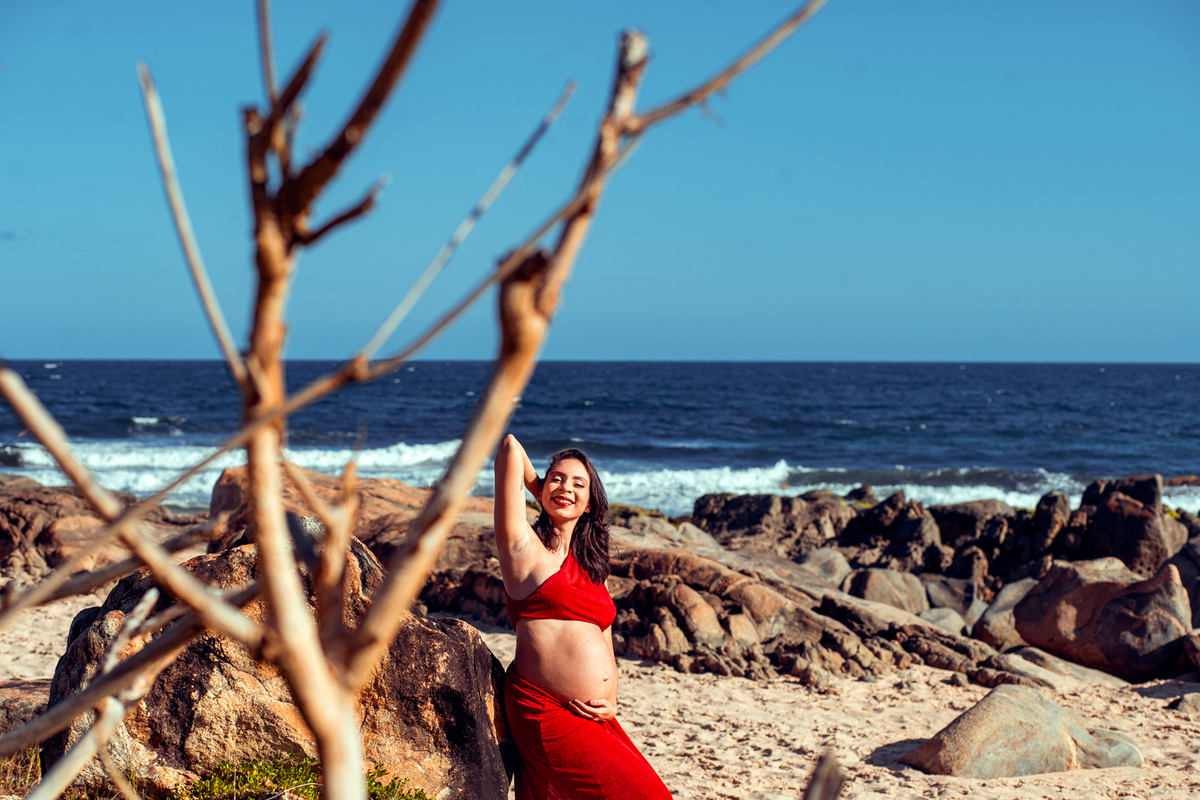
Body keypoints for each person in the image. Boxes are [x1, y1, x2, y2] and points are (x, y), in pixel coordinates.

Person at [494, 434, 672, 799]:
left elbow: (603, 632)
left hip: (594, 715)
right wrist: (545, 491)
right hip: (544, 707)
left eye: (579, 484)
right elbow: (510, 447)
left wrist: (612, 698)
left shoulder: (593, 567)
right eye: (557, 479)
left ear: (590, 504)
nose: (566, 487)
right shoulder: (523, 548)